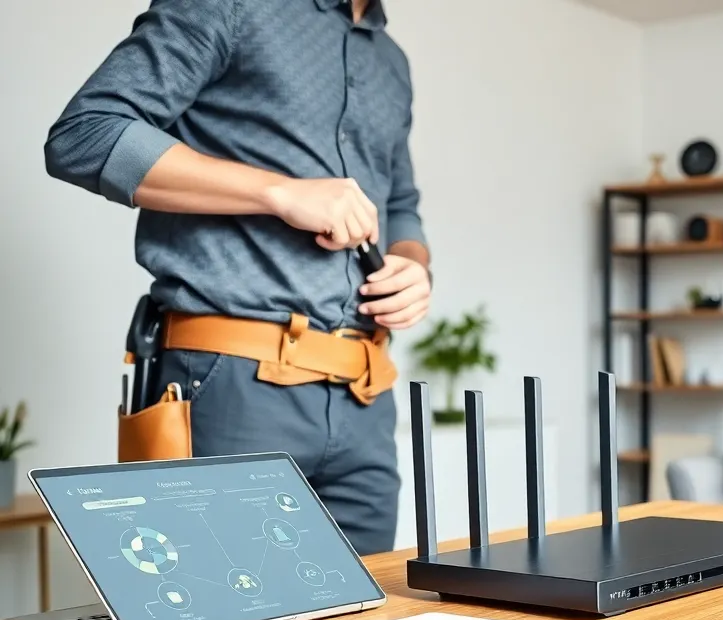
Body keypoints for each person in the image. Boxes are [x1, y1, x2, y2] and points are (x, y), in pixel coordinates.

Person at [44, 0, 433, 555]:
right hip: (231, 387)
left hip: (365, 401)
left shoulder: (392, 62)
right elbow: (86, 134)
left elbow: (400, 202)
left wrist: (414, 264)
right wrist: (280, 192)